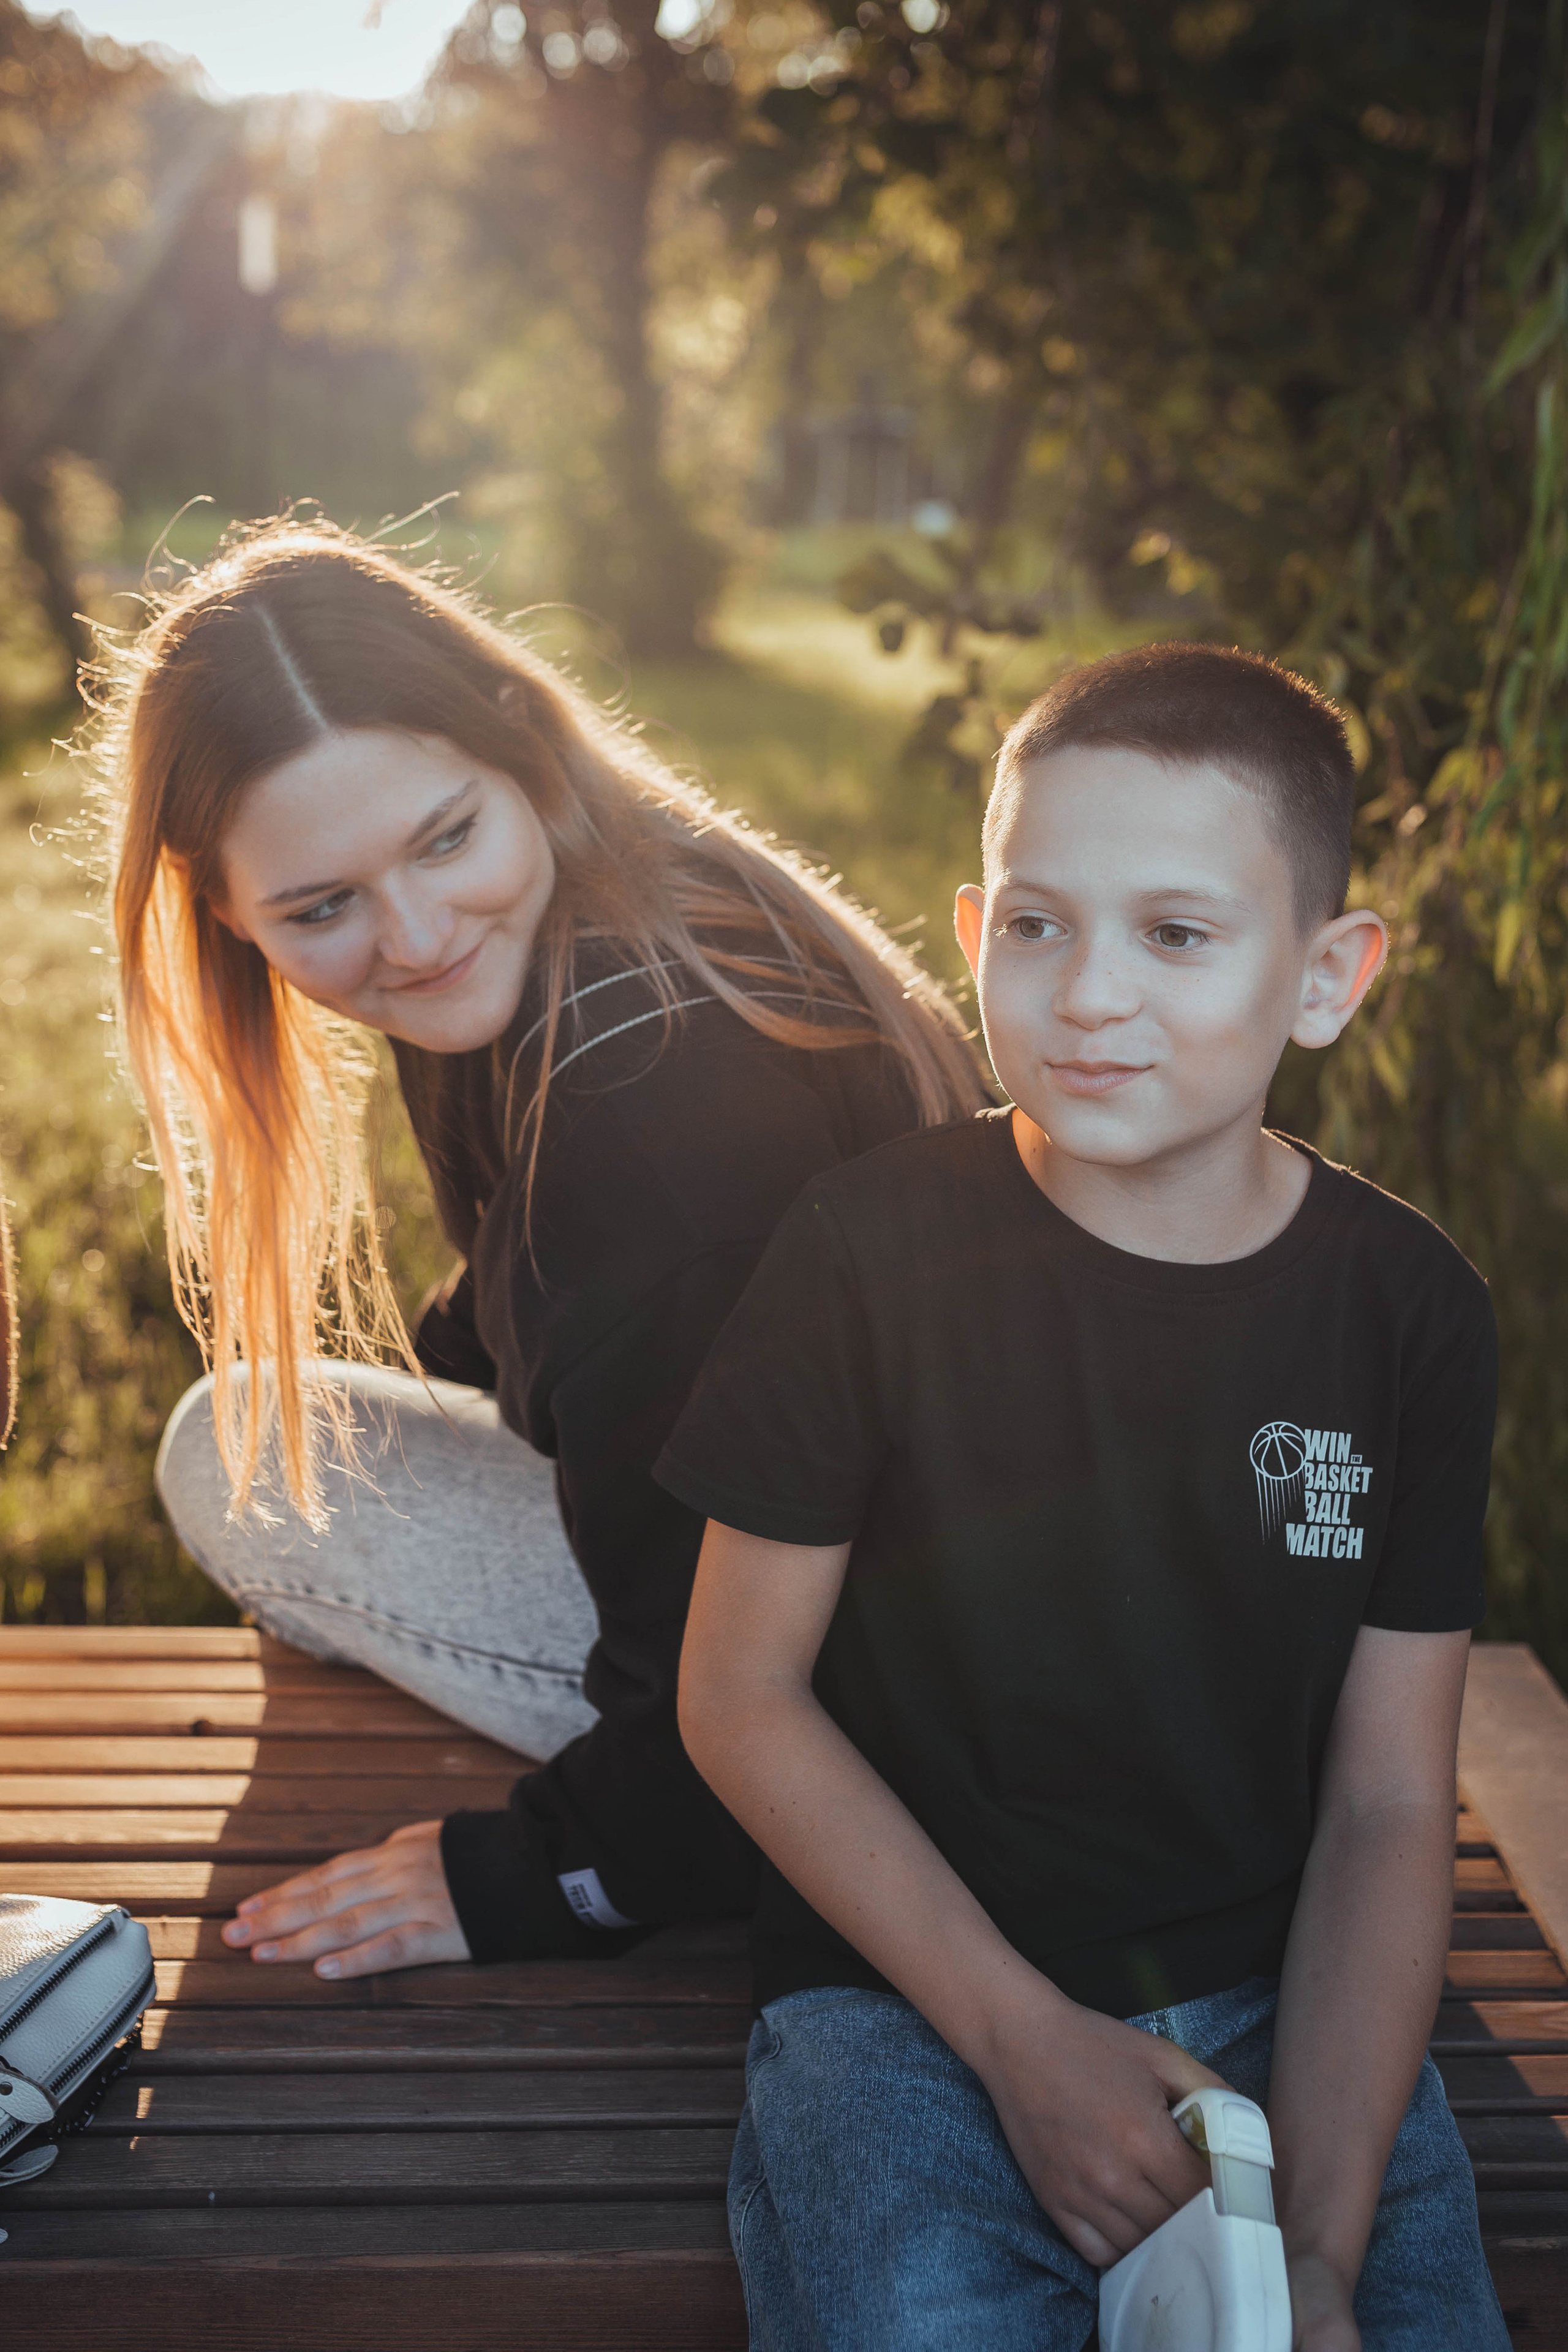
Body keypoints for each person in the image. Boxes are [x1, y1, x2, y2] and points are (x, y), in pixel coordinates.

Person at [666, 642, 1509, 2351]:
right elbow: (736, 1697)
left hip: (1286, 1989)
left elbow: (1387, 1812)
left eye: (1178, 935)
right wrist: (1018, 2039)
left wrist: (1318, 2261)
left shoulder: (1408, 1312)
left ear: (1327, 974)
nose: (1090, 994)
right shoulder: (867, 1250)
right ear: (975, 938)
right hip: (909, 1987)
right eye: (1039, 926)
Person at [104, 519, 985, 1982]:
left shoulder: (651, 1126)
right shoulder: (586, 913)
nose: (415, 934)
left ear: (516, 743)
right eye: (320, 908)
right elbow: (565, 1307)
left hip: (897, 1698)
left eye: (443, 839)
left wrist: (531, 1875)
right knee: (285, 1427)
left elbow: (731, 1677)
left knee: (233, 1463)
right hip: (891, 1542)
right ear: (226, 913)